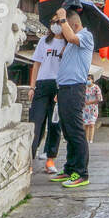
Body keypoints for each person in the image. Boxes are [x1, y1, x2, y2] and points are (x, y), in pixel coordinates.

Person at [53, 2, 94, 187]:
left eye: (65, 24)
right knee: (68, 130)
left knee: (76, 131)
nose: (62, 28)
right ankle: (69, 168)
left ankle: (81, 173)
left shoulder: (86, 36)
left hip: (75, 88)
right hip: (64, 88)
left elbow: (70, 36)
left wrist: (63, 18)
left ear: (74, 25)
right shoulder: (69, 42)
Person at [29, 10, 67, 172]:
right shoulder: (44, 41)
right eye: (53, 22)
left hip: (58, 85)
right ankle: (29, 160)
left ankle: (50, 160)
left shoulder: (68, 43)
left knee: (55, 124)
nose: (55, 25)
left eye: (58, 22)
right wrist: (32, 87)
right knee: (35, 122)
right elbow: (36, 64)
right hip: (42, 84)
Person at [84, 77, 103, 142]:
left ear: (92, 80)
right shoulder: (84, 87)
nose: (87, 80)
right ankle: (86, 140)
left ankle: (91, 140)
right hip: (85, 108)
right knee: (86, 124)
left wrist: (90, 102)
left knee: (92, 124)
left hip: (93, 108)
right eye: (87, 79)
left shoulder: (96, 87)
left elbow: (99, 98)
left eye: (89, 79)